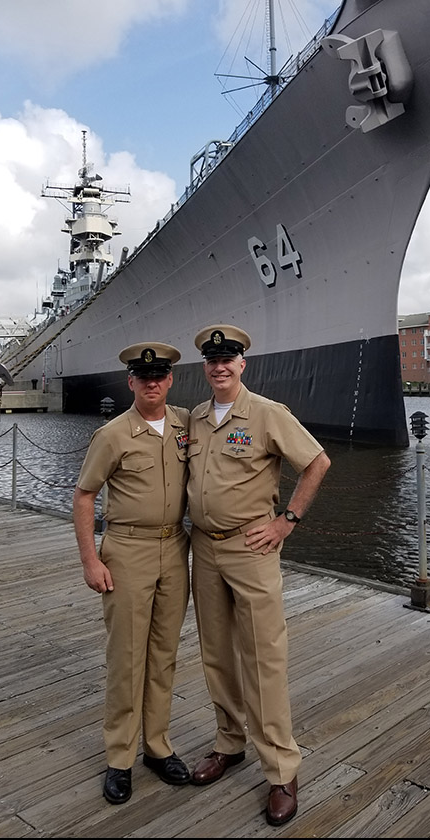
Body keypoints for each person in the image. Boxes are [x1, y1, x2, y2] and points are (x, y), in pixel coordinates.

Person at [185, 325, 331, 826]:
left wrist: (286, 521)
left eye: (228, 359)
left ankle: (281, 770)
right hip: (204, 549)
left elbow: (316, 461)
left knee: (264, 657)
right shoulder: (198, 419)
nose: (220, 367)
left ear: (243, 364)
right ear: (204, 367)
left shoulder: (268, 414)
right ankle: (229, 742)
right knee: (216, 652)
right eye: (212, 360)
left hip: (251, 548)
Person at [72, 342, 192, 804]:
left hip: (174, 548)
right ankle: (119, 757)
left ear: (171, 379)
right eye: (143, 377)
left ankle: (157, 748)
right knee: (126, 659)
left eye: (159, 375)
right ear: (131, 382)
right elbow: (85, 497)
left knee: (163, 655)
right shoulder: (112, 434)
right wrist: (90, 560)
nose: (152, 383)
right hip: (127, 550)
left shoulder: (186, 425)